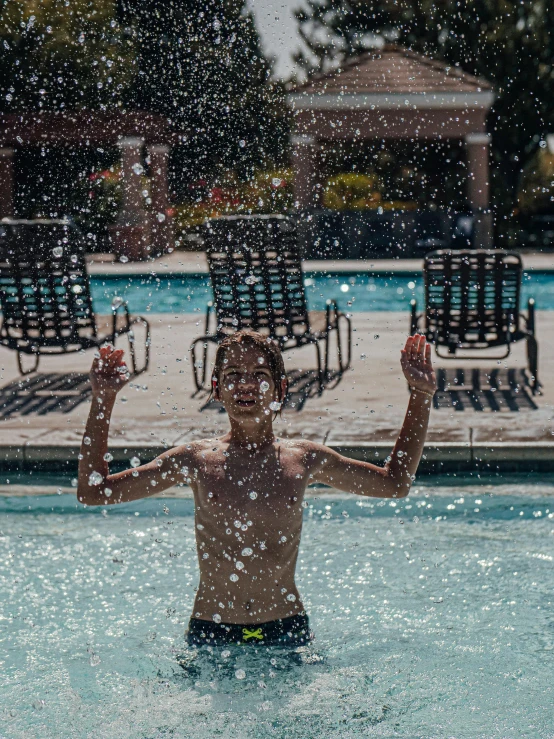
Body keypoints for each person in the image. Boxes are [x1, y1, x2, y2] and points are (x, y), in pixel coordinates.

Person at [77, 330, 436, 647]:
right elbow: (94, 492)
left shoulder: (304, 459)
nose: (246, 384)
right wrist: (102, 399)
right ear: (216, 389)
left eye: (259, 375)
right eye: (233, 375)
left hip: (286, 630)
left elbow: (394, 484)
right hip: (212, 632)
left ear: (279, 389)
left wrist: (420, 394)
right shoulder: (197, 460)